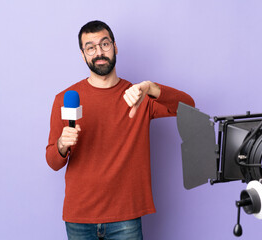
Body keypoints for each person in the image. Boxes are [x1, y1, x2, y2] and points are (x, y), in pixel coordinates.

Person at [46, 20, 195, 240]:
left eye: (104, 44)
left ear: (115, 47)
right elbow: (53, 162)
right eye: (91, 47)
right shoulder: (64, 99)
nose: (99, 52)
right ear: (83, 54)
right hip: (79, 217)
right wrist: (61, 145)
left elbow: (187, 106)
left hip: (125, 217)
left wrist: (151, 88)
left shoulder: (139, 96)